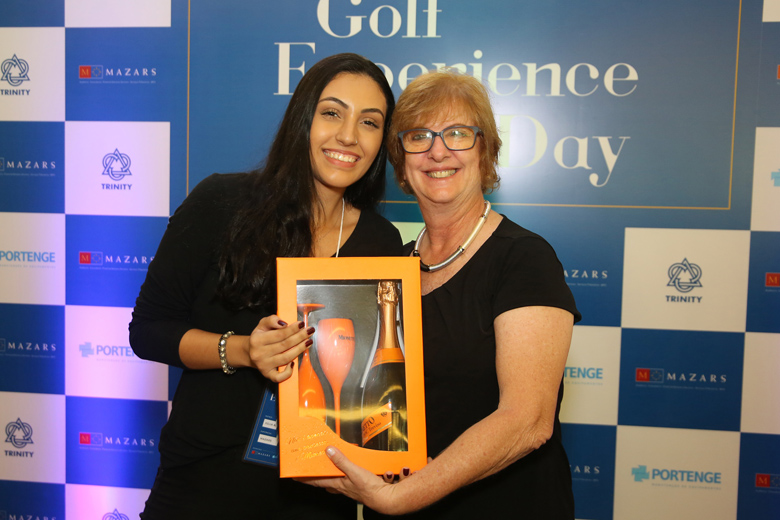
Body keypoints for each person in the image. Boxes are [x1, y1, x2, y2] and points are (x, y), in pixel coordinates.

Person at [129, 53, 402, 519]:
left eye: (370, 122)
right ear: (302, 118)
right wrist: (243, 350)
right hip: (203, 486)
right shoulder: (221, 203)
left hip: (320, 494)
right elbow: (148, 331)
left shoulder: (382, 241)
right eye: (332, 113)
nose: (348, 136)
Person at [303, 69, 581, 518]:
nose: (438, 151)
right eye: (419, 136)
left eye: (458, 134)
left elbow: (528, 421)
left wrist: (402, 497)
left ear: (485, 151)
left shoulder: (523, 258)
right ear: (401, 163)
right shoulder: (393, 267)